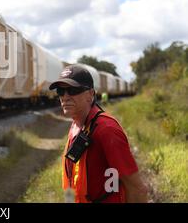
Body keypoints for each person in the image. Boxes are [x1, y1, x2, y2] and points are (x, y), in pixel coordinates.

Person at [49, 64, 148, 203]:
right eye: (60, 91)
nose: (65, 97)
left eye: (72, 90)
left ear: (90, 94)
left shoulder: (106, 130)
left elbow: (137, 188)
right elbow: (71, 179)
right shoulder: (76, 126)